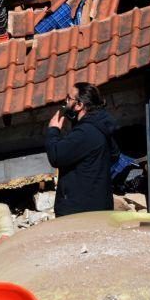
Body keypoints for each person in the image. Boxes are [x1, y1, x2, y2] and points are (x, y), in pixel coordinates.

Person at [45, 82, 118, 217]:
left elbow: (56, 156)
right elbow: (114, 155)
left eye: (69, 99)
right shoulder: (100, 126)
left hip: (80, 212)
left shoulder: (85, 132)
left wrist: (53, 131)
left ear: (79, 105)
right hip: (99, 205)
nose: (65, 102)